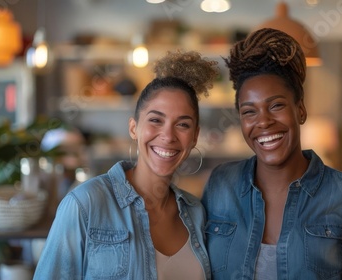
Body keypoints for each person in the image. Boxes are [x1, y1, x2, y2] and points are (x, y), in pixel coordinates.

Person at [201, 28, 342, 279]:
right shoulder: (220, 185)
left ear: (300, 110)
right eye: (249, 111)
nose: (263, 122)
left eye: (276, 105)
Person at [34, 50, 218, 280]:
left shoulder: (196, 212)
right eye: (155, 120)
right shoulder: (84, 204)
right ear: (134, 128)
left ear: (195, 136)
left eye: (182, 124)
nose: (168, 136)